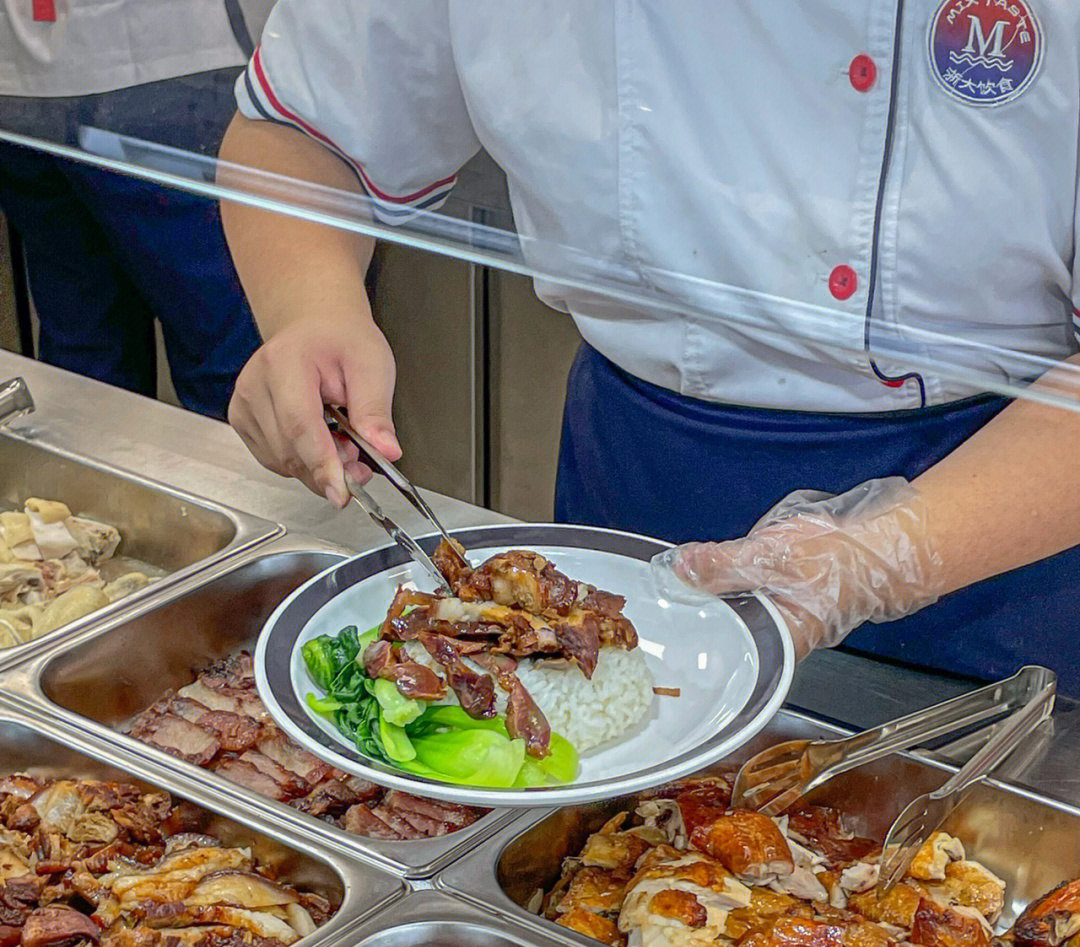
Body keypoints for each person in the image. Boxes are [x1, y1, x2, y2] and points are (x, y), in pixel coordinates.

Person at [219, 2, 1080, 688]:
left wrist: (880, 558)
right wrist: (311, 308)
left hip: (999, 536)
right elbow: (305, 130)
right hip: (632, 486)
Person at [0, 1, 270, 420]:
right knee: (239, 373)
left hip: (21, 76)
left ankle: (89, 486)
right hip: (164, 63)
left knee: (88, 365)